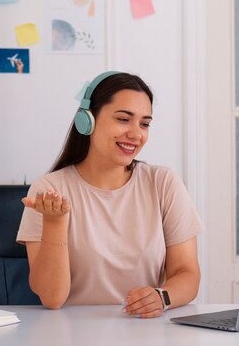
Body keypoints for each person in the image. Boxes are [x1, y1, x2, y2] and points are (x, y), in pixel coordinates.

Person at [16, 71, 203, 318]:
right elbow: (52, 298)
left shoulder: (163, 183)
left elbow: (187, 274)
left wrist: (162, 297)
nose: (136, 134)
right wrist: (55, 222)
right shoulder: (50, 190)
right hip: (73, 333)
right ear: (88, 120)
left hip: (147, 330)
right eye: (124, 119)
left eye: (144, 123)